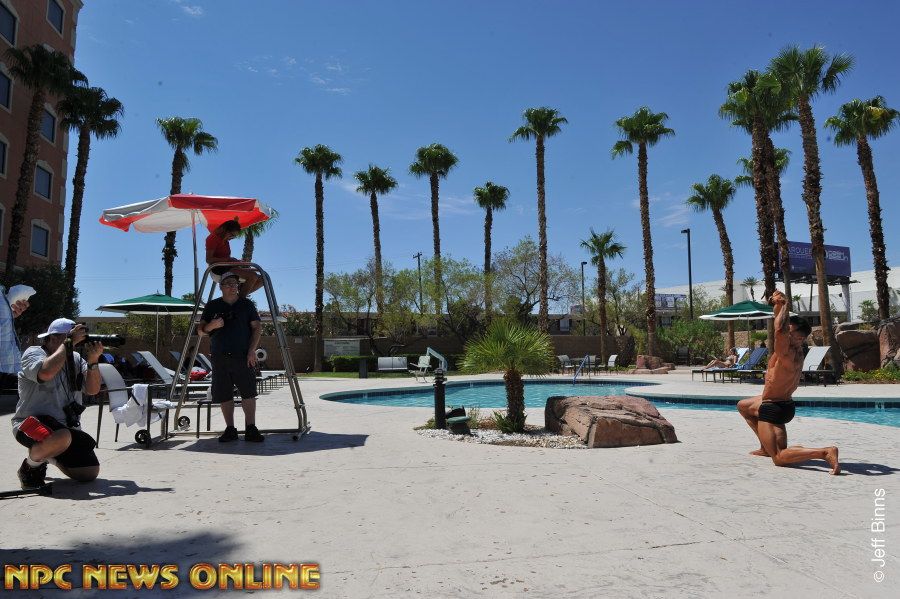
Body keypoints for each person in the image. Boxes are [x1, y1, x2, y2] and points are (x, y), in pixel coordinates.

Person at [736, 290, 840, 474]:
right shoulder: (795, 348)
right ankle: (765, 447)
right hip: (781, 402)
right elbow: (781, 324)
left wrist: (785, 305)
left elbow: (779, 330)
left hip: (774, 408)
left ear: (798, 337)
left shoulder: (786, 353)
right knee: (743, 406)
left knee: (779, 457)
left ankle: (824, 452)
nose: (785, 332)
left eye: (789, 332)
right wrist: (778, 306)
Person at [12, 319, 103, 490]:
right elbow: (45, 373)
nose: (76, 343)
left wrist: (93, 360)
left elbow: (93, 389)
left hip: (66, 428)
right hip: (30, 423)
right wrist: (68, 343)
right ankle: (30, 467)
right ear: (53, 338)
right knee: (62, 436)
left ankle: (48, 455)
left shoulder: (75, 358)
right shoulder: (33, 353)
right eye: (71, 337)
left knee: (89, 472)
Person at [199, 272, 264, 442]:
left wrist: (252, 350)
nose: (233, 286)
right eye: (228, 283)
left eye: (235, 283)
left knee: (248, 393)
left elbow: (257, 328)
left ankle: (251, 428)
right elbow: (200, 331)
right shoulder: (212, 306)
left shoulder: (247, 305)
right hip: (219, 357)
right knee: (224, 394)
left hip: (243, 356)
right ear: (221, 287)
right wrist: (212, 325)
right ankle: (230, 429)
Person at [205, 219, 263, 296]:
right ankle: (239, 300)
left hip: (228, 266)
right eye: (232, 235)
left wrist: (235, 261)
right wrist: (228, 260)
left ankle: (238, 298)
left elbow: (226, 258)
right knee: (253, 276)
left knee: (262, 278)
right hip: (219, 268)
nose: (232, 238)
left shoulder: (225, 241)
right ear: (224, 230)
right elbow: (209, 259)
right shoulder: (213, 238)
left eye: (234, 236)